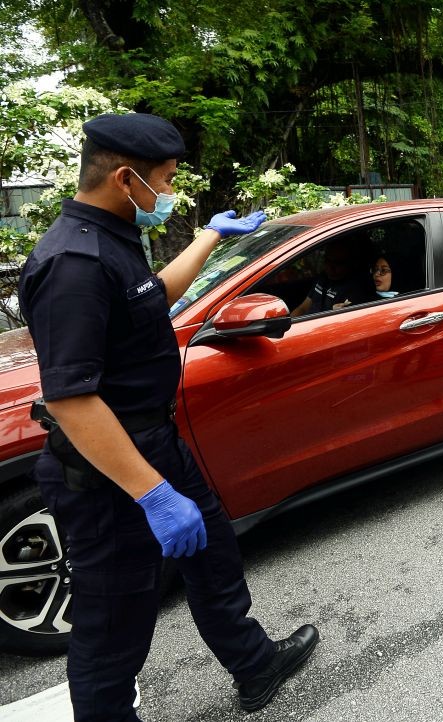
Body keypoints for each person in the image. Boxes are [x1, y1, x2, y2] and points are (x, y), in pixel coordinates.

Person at [17, 113, 319, 720]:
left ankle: (254, 664)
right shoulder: (71, 264)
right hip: (111, 473)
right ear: (127, 178)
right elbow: (73, 400)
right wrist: (153, 494)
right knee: (113, 624)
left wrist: (211, 236)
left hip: (156, 443)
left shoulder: (112, 234)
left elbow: (152, 297)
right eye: (168, 178)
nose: (172, 190)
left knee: (213, 559)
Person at [290, 239, 370, 316]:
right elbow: (303, 308)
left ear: (350, 263)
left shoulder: (354, 290)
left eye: (338, 263)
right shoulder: (323, 277)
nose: (331, 267)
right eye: (328, 260)